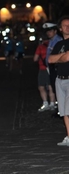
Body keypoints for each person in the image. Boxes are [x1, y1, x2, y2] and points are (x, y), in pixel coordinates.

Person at [48, 16, 69, 146]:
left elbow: (67, 57)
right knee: (64, 111)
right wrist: (62, 57)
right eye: (65, 26)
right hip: (59, 79)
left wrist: (59, 58)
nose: (68, 27)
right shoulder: (59, 44)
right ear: (60, 29)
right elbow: (50, 60)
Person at [34, 37, 56, 112]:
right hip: (52, 68)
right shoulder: (54, 45)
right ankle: (52, 104)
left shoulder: (40, 47)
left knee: (41, 87)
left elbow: (35, 59)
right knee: (51, 87)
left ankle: (45, 103)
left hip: (43, 69)